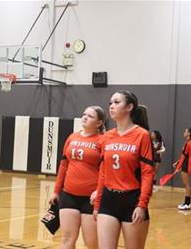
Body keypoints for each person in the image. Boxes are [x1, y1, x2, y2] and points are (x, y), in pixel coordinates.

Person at [94, 90, 154, 249]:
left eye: (116, 102)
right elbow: (102, 173)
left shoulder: (142, 135)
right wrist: (97, 204)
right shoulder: (106, 137)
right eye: (110, 103)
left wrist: (142, 205)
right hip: (108, 200)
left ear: (129, 107)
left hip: (132, 201)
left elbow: (148, 174)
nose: (111, 106)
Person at [49, 106, 106, 249]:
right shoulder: (72, 137)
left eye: (90, 116)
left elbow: (105, 171)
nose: (85, 117)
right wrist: (56, 191)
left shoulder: (102, 141)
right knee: (67, 239)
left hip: (90, 199)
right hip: (68, 195)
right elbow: (63, 165)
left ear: (99, 123)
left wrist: (98, 191)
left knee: (91, 242)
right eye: (84, 114)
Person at [173, 128, 191, 210]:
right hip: (186, 165)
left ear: (189, 134)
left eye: (185, 131)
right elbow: (185, 156)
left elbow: (185, 157)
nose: (184, 132)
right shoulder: (190, 143)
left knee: (187, 185)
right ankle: (187, 203)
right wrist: (178, 163)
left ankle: (187, 204)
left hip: (186, 166)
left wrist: (178, 167)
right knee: (187, 184)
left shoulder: (189, 143)